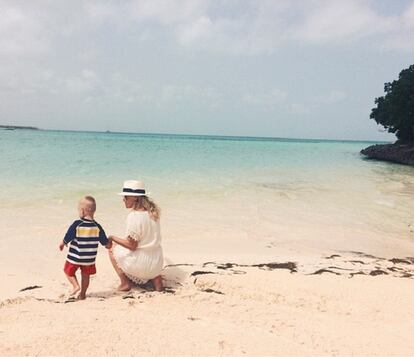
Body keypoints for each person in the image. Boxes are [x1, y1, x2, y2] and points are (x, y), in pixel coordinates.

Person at [108, 180, 164, 292]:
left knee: (112, 248)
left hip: (143, 265)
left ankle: (124, 283)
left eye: (126, 197)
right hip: (157, 264)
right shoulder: (153, 213)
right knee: (148, 248)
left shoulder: (134, 216)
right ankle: (156, 280)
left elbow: (132, 246)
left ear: (135, 198)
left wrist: (112, 238)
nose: (123, 199)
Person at [59, 196, 111, 300]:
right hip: (89, 259)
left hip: (75, 256)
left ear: (82, 211)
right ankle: (82, 294)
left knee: (67, 271)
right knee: (85, 276)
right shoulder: (97, 226)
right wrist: (108, 244)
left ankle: (75, 286)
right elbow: (104, 242)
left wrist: (63, 242)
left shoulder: (77, 224)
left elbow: (69, 235)